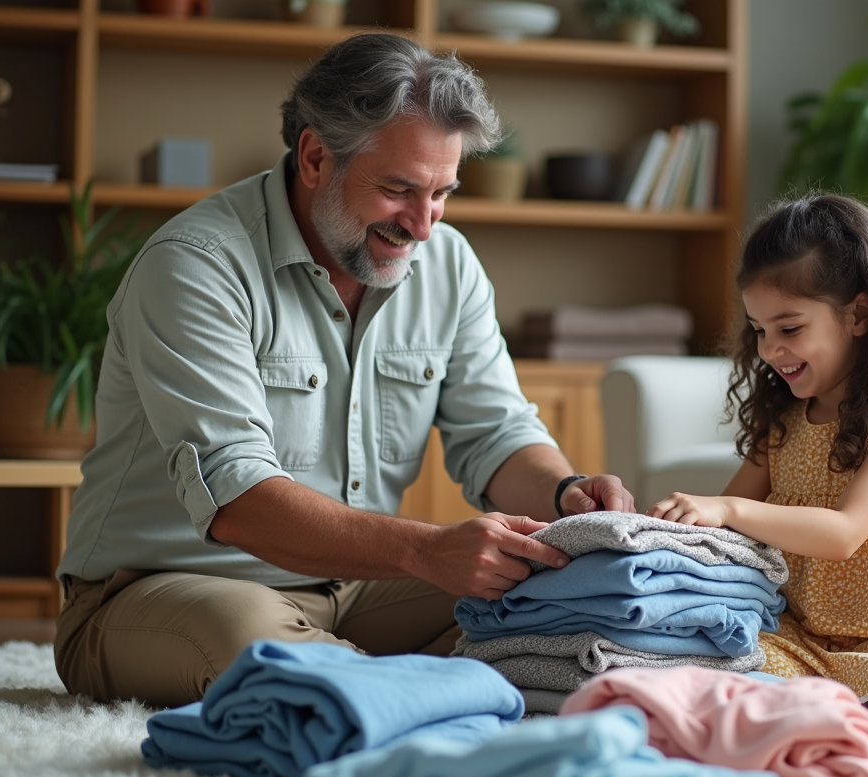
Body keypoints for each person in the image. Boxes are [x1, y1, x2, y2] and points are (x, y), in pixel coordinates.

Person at [54, 32, 633, 708]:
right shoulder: (195, 265)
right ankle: (440, 693)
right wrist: (425, 550)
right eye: (398, 189)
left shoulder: (448, 264)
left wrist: (565, 495)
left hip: (356, 587)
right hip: (162, 590)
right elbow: (237, 499)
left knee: (565, 591)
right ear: (314, 157)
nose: (422, 225)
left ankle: (397, 692)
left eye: (443, 192)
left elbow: (497, 432)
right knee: (251, 638)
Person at [648, 194, 868, 729]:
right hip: (805, 636)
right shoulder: (785, 421)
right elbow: (723, 531)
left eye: (789, 329)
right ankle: (819, 704)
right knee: (717, 666)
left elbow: (842, 533)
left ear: (858, 314)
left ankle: (841, 704)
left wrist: (727, 510)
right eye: (759, 330)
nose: (769, 350)